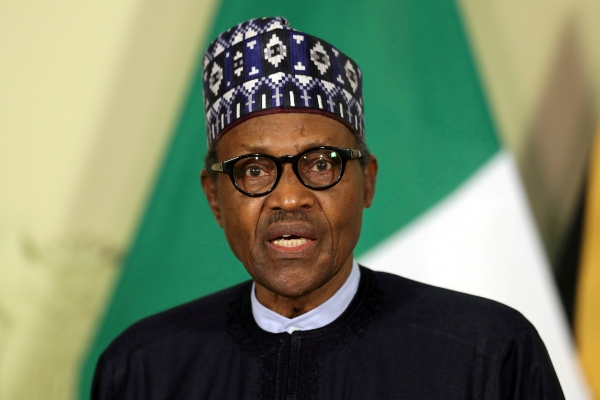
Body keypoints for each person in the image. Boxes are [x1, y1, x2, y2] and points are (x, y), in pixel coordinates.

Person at [92, 17, 565, 399]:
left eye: (320, 164)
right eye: (254, 170)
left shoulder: (486, 353)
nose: (290, 196)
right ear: (216, 198)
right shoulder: (141, 368)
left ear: (367, 183)